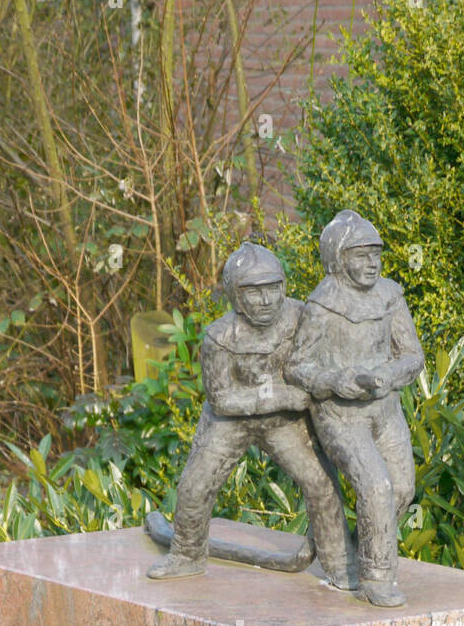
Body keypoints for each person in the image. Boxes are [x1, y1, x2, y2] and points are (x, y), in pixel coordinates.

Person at [147, 243, 356, 590]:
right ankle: (186, 554)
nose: (266, 300)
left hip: (283, 424)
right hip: (229, 422)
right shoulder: (220, 335)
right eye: (254, 292)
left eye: (273, 289)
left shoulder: (301, 316)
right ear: (235, 297)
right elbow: (222, 398)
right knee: (195, 485)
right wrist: (280, 395)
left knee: (320, 483)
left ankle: (339, 563)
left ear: (284, 287)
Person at [285, 210, 424, 607]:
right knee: (376, 487)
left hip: (385, 411)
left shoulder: (390, 296)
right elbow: (296, 366)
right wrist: (334, 381)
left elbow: (413, 355)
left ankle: (348, 550)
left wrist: (390, 374)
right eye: (361, 255)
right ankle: (377, 577)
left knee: (401, 489)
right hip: (340, 416)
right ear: (339, 258)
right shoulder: (323, 304)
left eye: (376, 254)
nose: (373, 263)